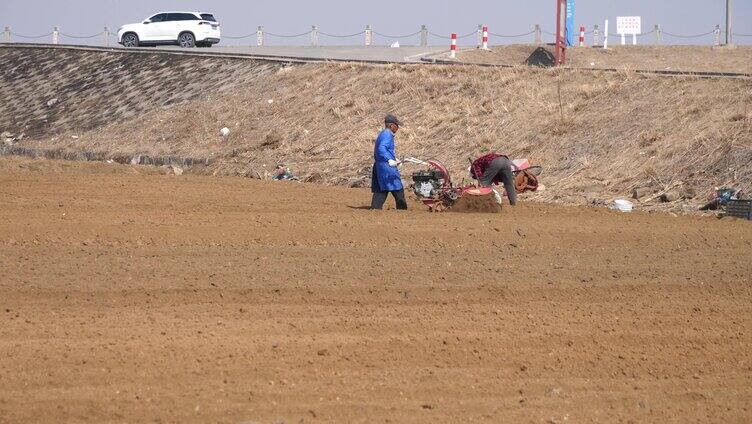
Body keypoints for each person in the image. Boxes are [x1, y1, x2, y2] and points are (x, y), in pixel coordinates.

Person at [371, 114, 408, 210]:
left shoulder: (383, 134)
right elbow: (381, 148)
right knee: (397, 187)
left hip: (380, 166)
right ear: (391, 125)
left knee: (381, 189)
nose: (398, 128)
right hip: (386, 167)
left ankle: (375, 208)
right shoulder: (387, 134)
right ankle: (402, 209)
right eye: (397, 125)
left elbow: (384, 150)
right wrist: (389, 159)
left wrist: (395, 159)